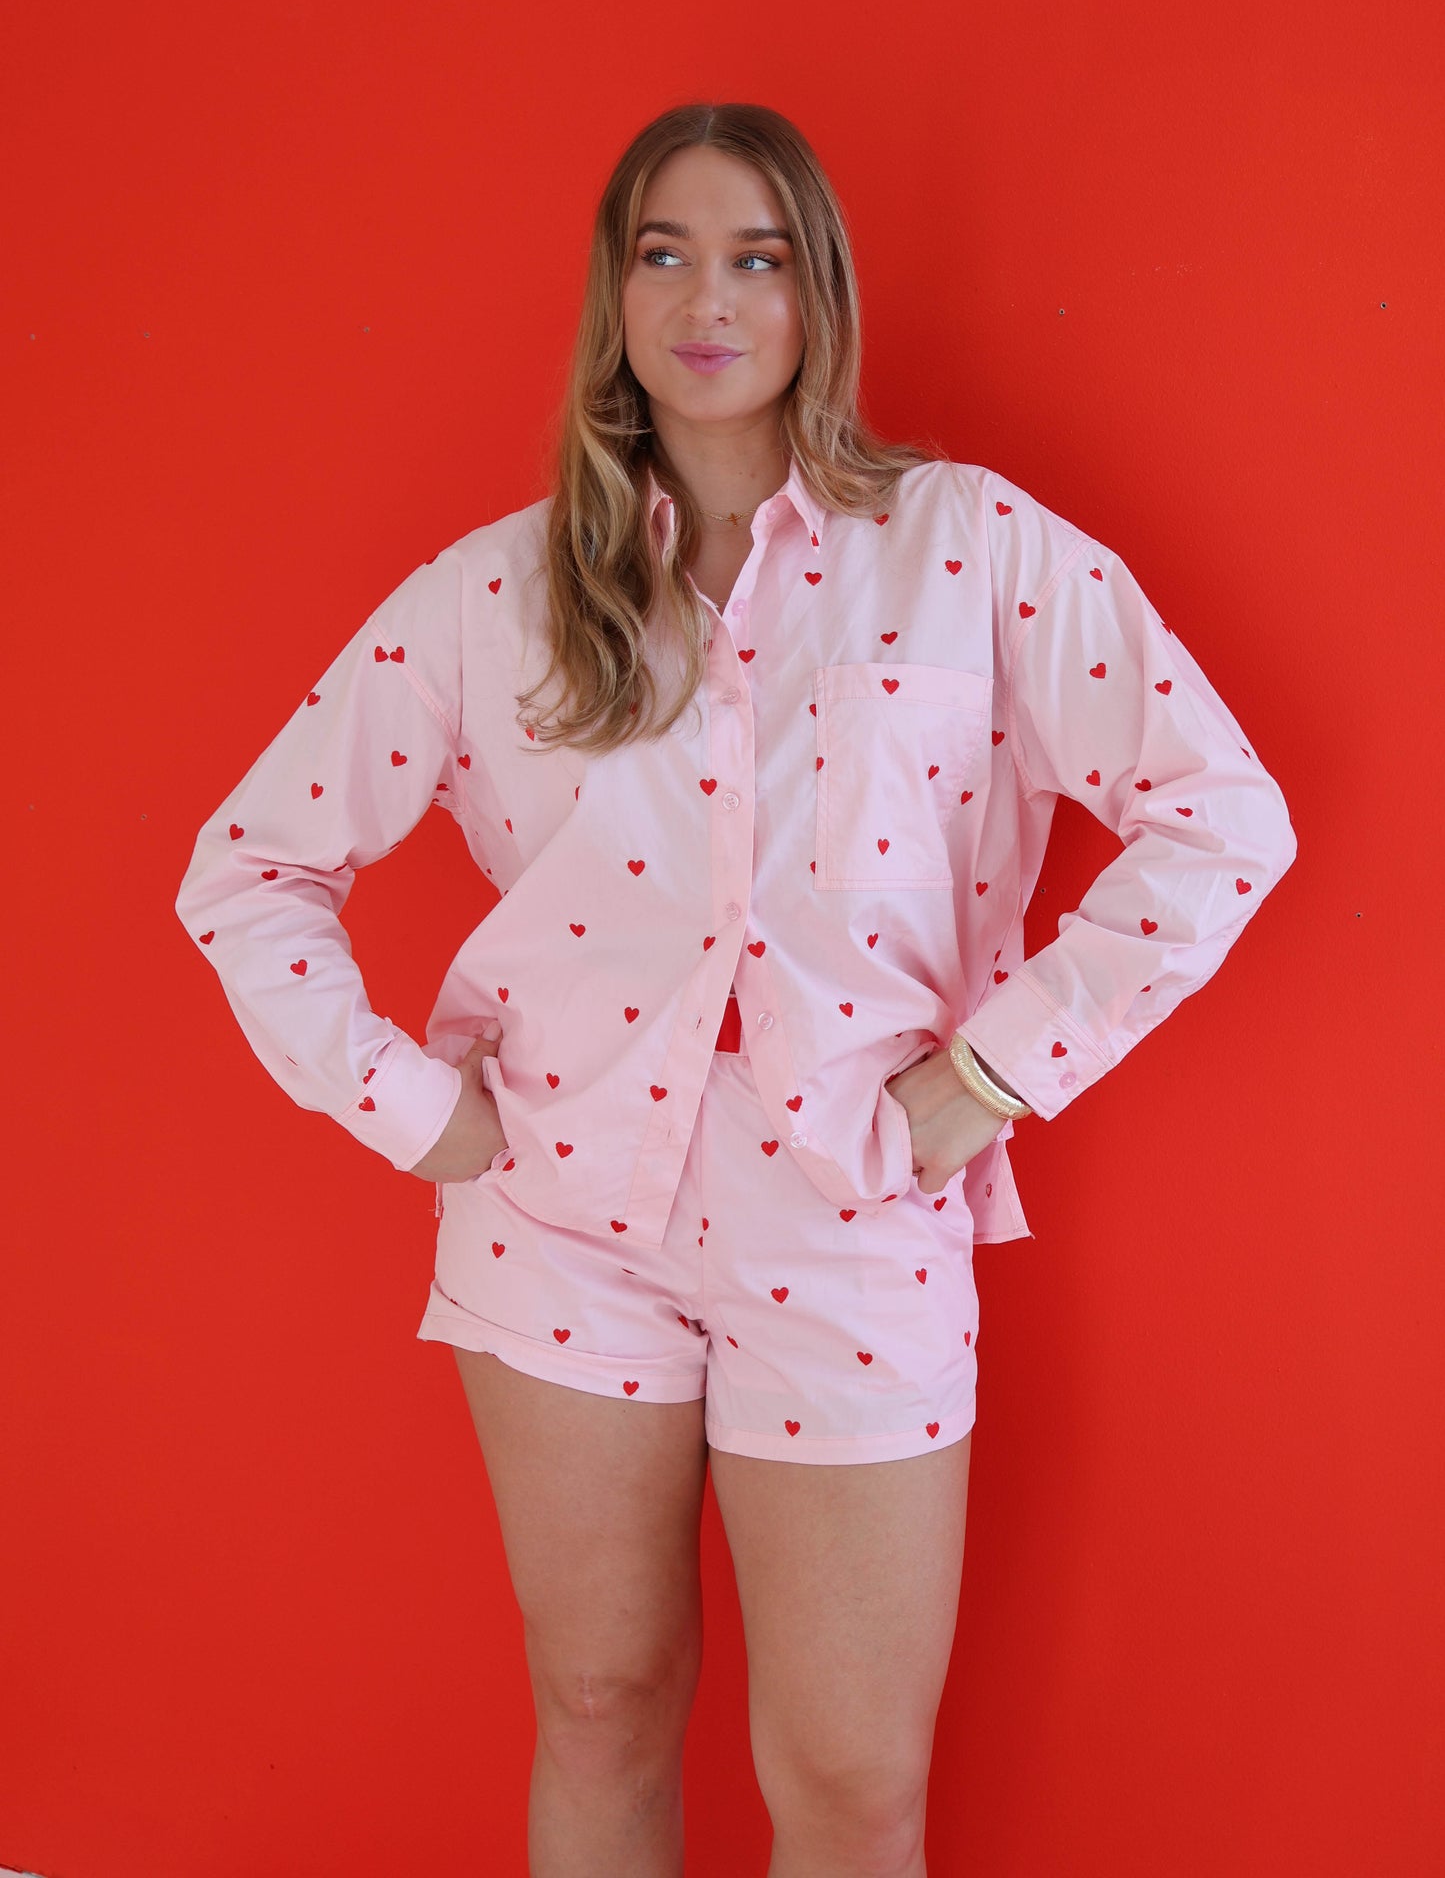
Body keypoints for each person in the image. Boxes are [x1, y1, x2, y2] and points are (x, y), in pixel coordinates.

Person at [175, 101, 1297, 1878]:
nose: (709, 297)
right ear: (614, 294)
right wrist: (410, 1110)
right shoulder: (499, 593)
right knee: (603, 1706)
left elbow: (1222, 819)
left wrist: (990, 1080)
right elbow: (247, 870)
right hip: (557, 1228)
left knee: (851, 1785)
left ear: (815, 295)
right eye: (664, 252)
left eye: (756, 255)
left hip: (851, 1222)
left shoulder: (968, 551)